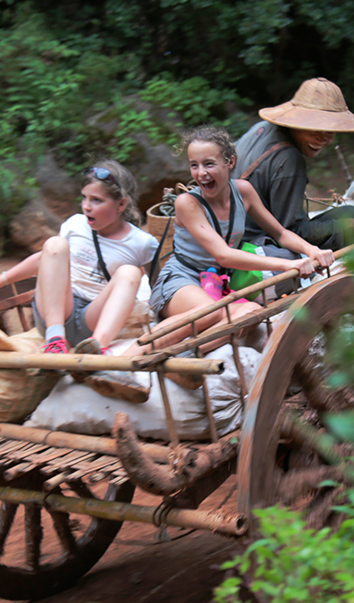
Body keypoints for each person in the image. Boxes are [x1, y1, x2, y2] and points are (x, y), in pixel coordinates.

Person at [88, 126, 335, 402]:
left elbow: (280, 233)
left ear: (230, 163)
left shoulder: (243, 192)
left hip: (218, 283)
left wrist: (311, 250)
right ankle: (120, 364)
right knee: (209, 312)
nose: (200, 173)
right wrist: (288, 265)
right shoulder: (187, 203)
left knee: (250, 312)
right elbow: (224, 256)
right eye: (194, 165)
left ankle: (181, 355)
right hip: (182, 279)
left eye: (209, 164)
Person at [0, 161, 157, 360]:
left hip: (93, 317)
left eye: (96, 200)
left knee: (130, 272)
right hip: (55, 312)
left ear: (121, 204)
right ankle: (55, 340)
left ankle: (96, 346)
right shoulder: (75, 225)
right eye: (84, 198)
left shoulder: (142, 243)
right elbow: (47, 258)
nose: (86, 206)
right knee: (55, 244)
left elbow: (158, 285)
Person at [233, 77, 354, 252]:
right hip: (255, 243)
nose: (323, 138)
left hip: (237, 229)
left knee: (351, 215)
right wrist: (352, 225)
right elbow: (292, 232)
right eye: (315, 128)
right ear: (296, 122)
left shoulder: (262, 129)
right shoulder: (289, 159)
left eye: (330, 130)